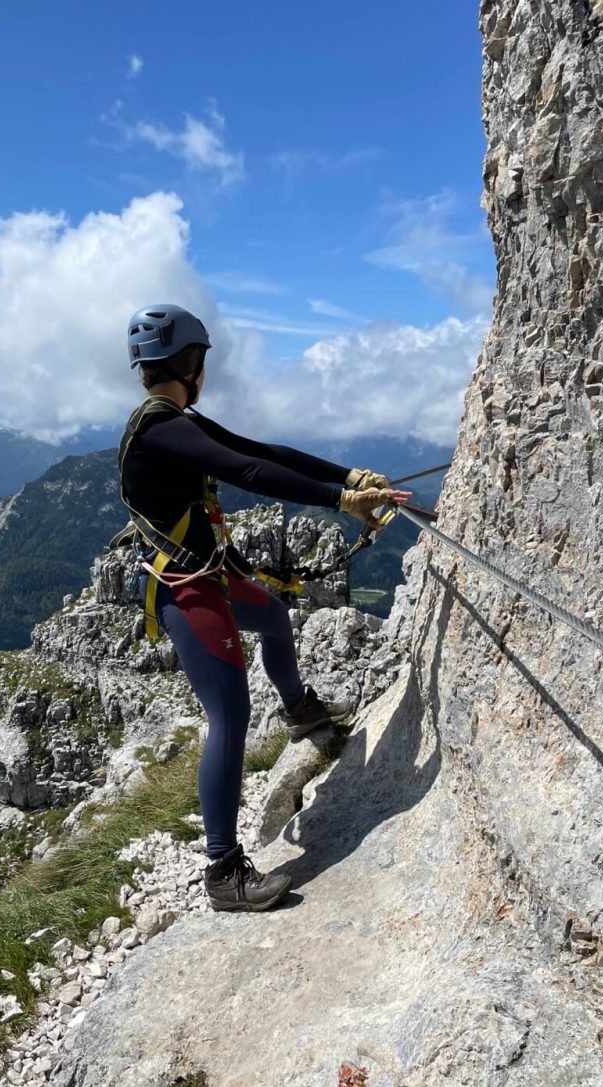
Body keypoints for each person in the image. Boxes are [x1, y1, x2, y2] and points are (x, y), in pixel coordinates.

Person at [119, 304, 411, 913]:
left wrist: (349, 475)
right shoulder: (161, 430)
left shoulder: (171, 421)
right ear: (191, 361)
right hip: (187, 590)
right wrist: (338, 498)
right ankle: (224, 871)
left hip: (211, 576)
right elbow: (249, 468)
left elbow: (264, 449)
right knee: (229, 713)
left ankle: (301, 710)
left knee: (275, 618)